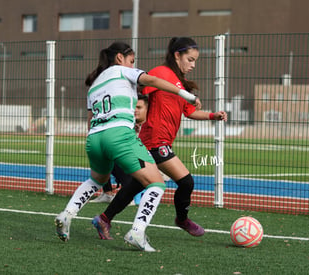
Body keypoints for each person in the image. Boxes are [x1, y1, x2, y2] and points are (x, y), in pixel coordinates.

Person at [54, 41, 200, 252]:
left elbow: (90, 119)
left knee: (97, 180)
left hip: (94, 138)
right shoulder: (123, 71)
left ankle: (66, 215)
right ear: (120, 58)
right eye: (132, 61)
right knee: (156, 183)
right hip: (119, 134)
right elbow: (152, 80)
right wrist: (185, 94)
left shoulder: (94, 84)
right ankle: (137, 232)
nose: (133, 66)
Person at [92, 37, 227, 240]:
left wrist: (212, 116)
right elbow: (139, 93)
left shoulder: (180, 84)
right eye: (190, 59)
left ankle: (104, 219)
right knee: (186, 182)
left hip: (157, 142)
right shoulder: (161, 73)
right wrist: (130, 117)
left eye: (195, 61)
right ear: (177, 55)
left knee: (134, 186)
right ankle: (182, 219)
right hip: (155, 141)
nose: (193, 65)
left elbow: (189, 112)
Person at [89, 94, 149, 204]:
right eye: (134, 107)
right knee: (104, 152)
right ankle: (107, 193)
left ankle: (128, 193)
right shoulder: (126, 123)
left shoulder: (151, 125)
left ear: (147, 109)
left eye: (139, 107)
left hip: (149, 164)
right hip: (131, 162)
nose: (135, 110)